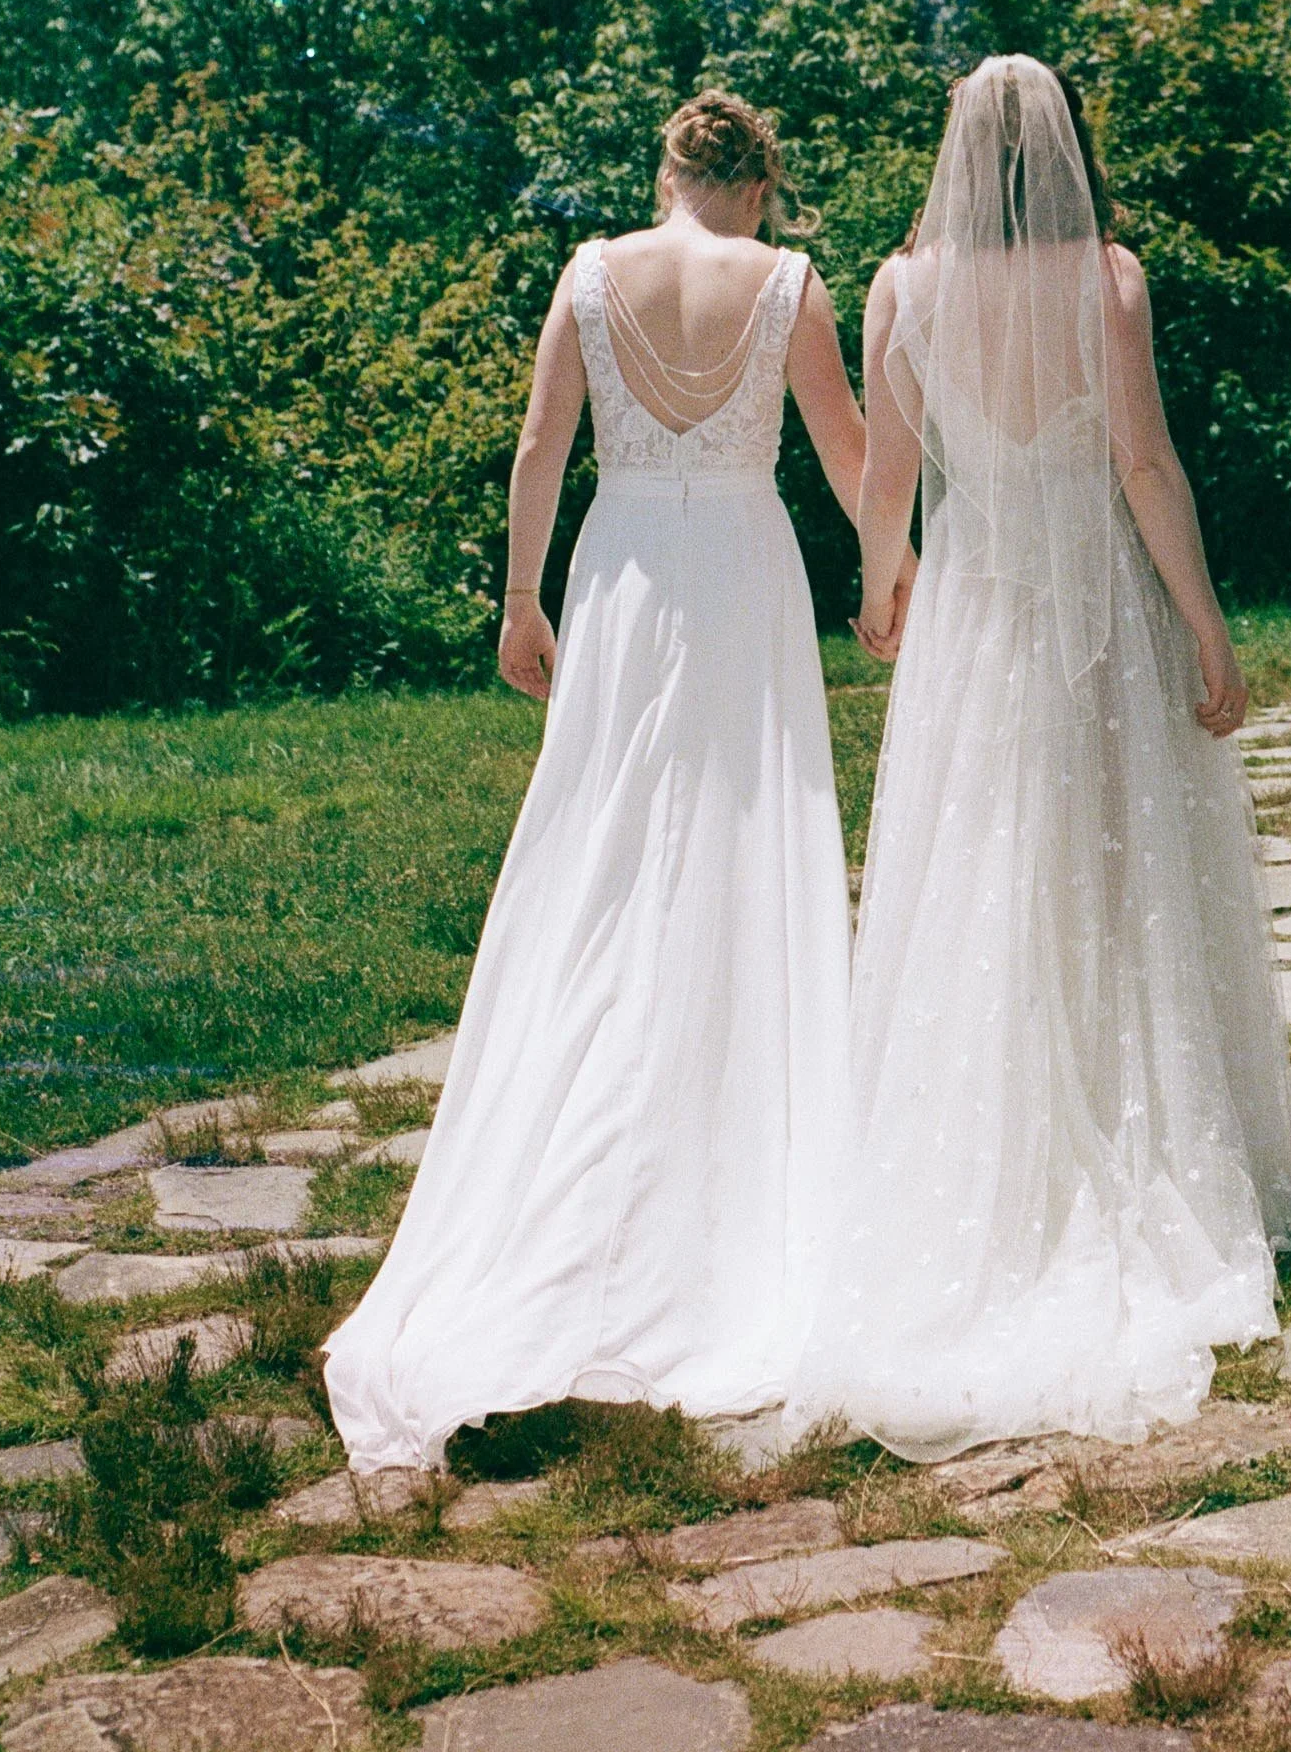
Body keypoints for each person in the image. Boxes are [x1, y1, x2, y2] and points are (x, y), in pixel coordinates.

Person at [326, 90, 887, 1470]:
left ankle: (591, 1115)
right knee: (748, 841)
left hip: (625, 570)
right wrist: (894, 570)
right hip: (745, 571)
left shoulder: (589, 274)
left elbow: (537, 447)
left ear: (664, 173)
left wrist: (520, 596)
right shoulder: (792, 284)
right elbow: (849, 453)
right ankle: (733, 1144)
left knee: (606, 849)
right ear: (761, 183)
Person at [783, 54, 1291, 1461]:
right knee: (1117, 877)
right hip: (1097, 621)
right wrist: (1207, 628)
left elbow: (888, 473)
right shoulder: (1109, 279)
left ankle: (976, 1166)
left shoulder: (902, 288)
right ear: (1064, 142)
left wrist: (880, 584)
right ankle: (1130, 1152)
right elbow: (1144, 466)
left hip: (974, 616)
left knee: (978, 874)